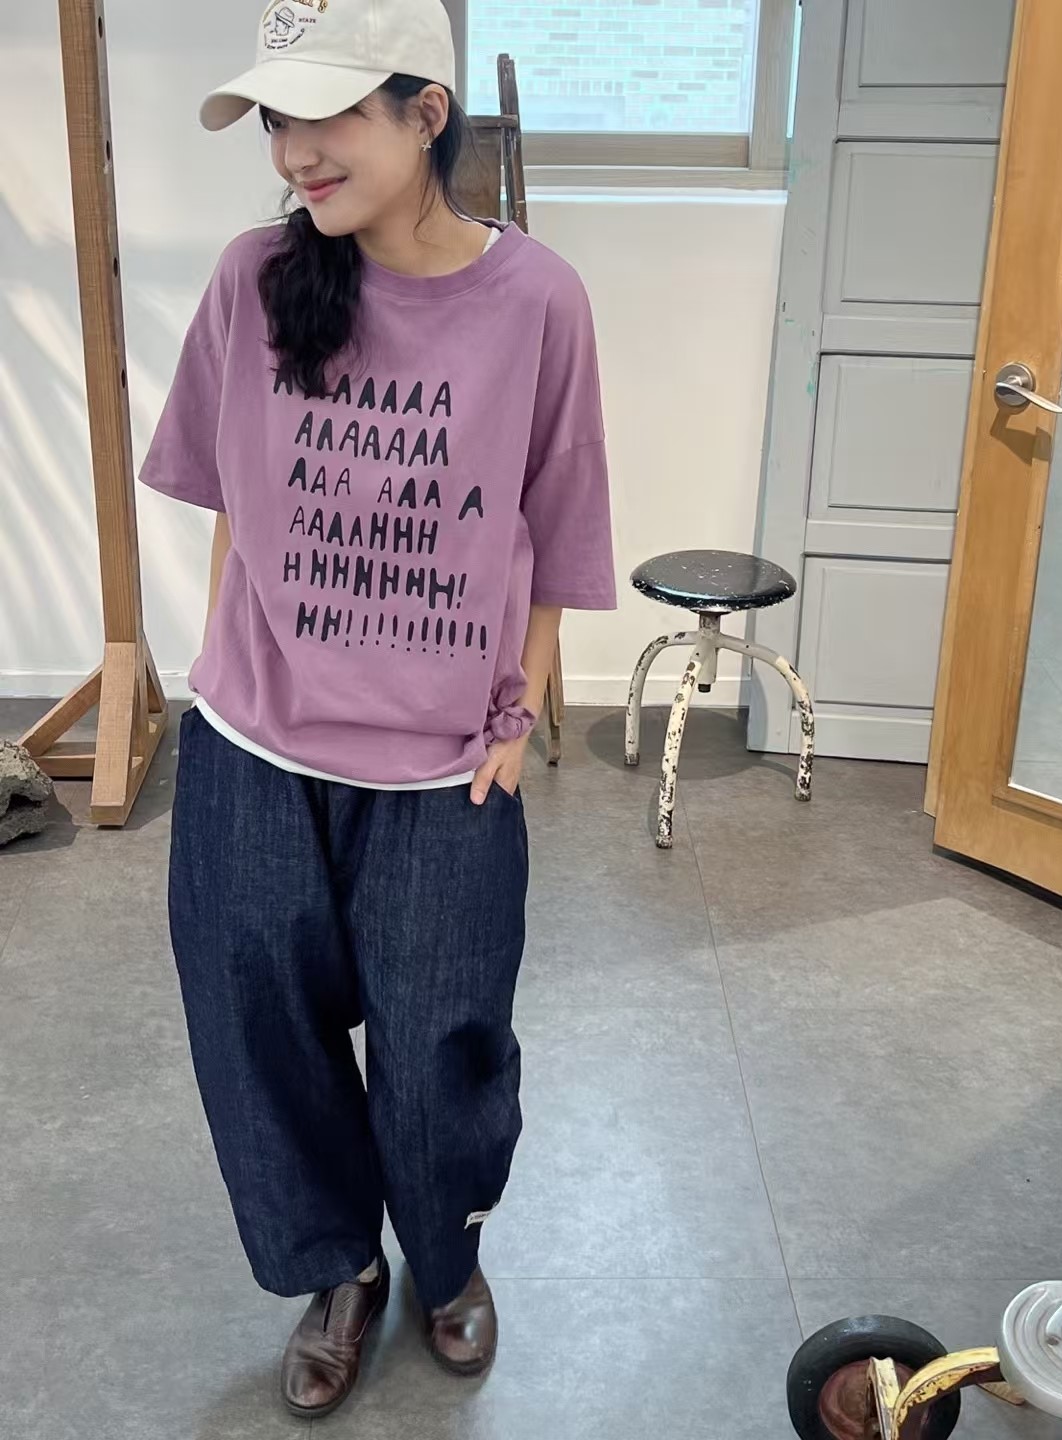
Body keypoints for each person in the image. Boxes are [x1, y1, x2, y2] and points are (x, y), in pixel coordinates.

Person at [138, 0, 616, 1420]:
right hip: (254, 743)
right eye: (276, 121)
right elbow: (231, 506)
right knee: (257, 1032)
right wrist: (221, 682)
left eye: (329, 114)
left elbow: (559, 519)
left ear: (426, 112)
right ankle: (338, 1267)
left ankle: (444, 1254)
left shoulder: (537, 300)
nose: (295, 152)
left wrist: (521, 715)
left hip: (444, 761)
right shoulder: (253, 278)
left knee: (441, 1050)